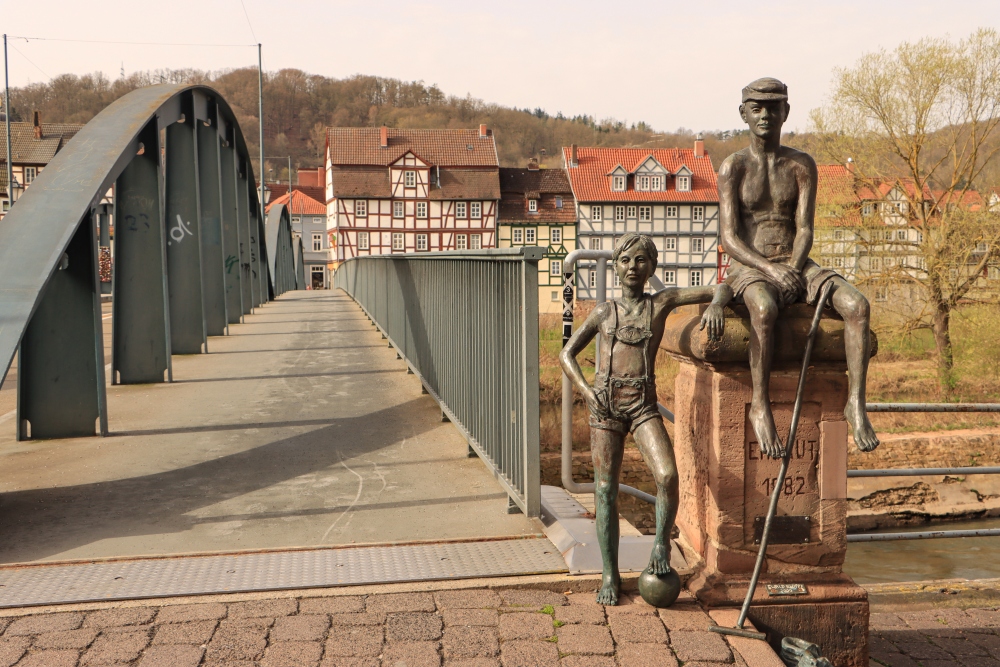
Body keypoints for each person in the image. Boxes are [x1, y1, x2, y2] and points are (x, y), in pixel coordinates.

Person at [560, 233, 732, 605]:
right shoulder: (605, 312)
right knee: (606, 489)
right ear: (617, 267)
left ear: (652, 266)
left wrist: (718, 306)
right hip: (604, 407)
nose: (632, 268)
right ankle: (610, 574)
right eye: (625, 261)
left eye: (641, 260)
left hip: (642, 406)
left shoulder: (661, 303)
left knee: (667, 475)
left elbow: (719, 288)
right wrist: (589, 395)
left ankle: (661, 546)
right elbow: (567, 355)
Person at [718, 77, 880, 459]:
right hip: (751, 267)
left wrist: (792, 267)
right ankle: (760, 403)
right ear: (744, 114)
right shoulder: (733, 167)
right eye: (756, 108)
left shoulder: (801, 164)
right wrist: (773, 272)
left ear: (785, 113)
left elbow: (805, 227)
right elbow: (730, 239)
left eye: (773, 108)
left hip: (798, 262)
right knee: (763, 309)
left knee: (858, 307)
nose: (765, 115)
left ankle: (856, 403)